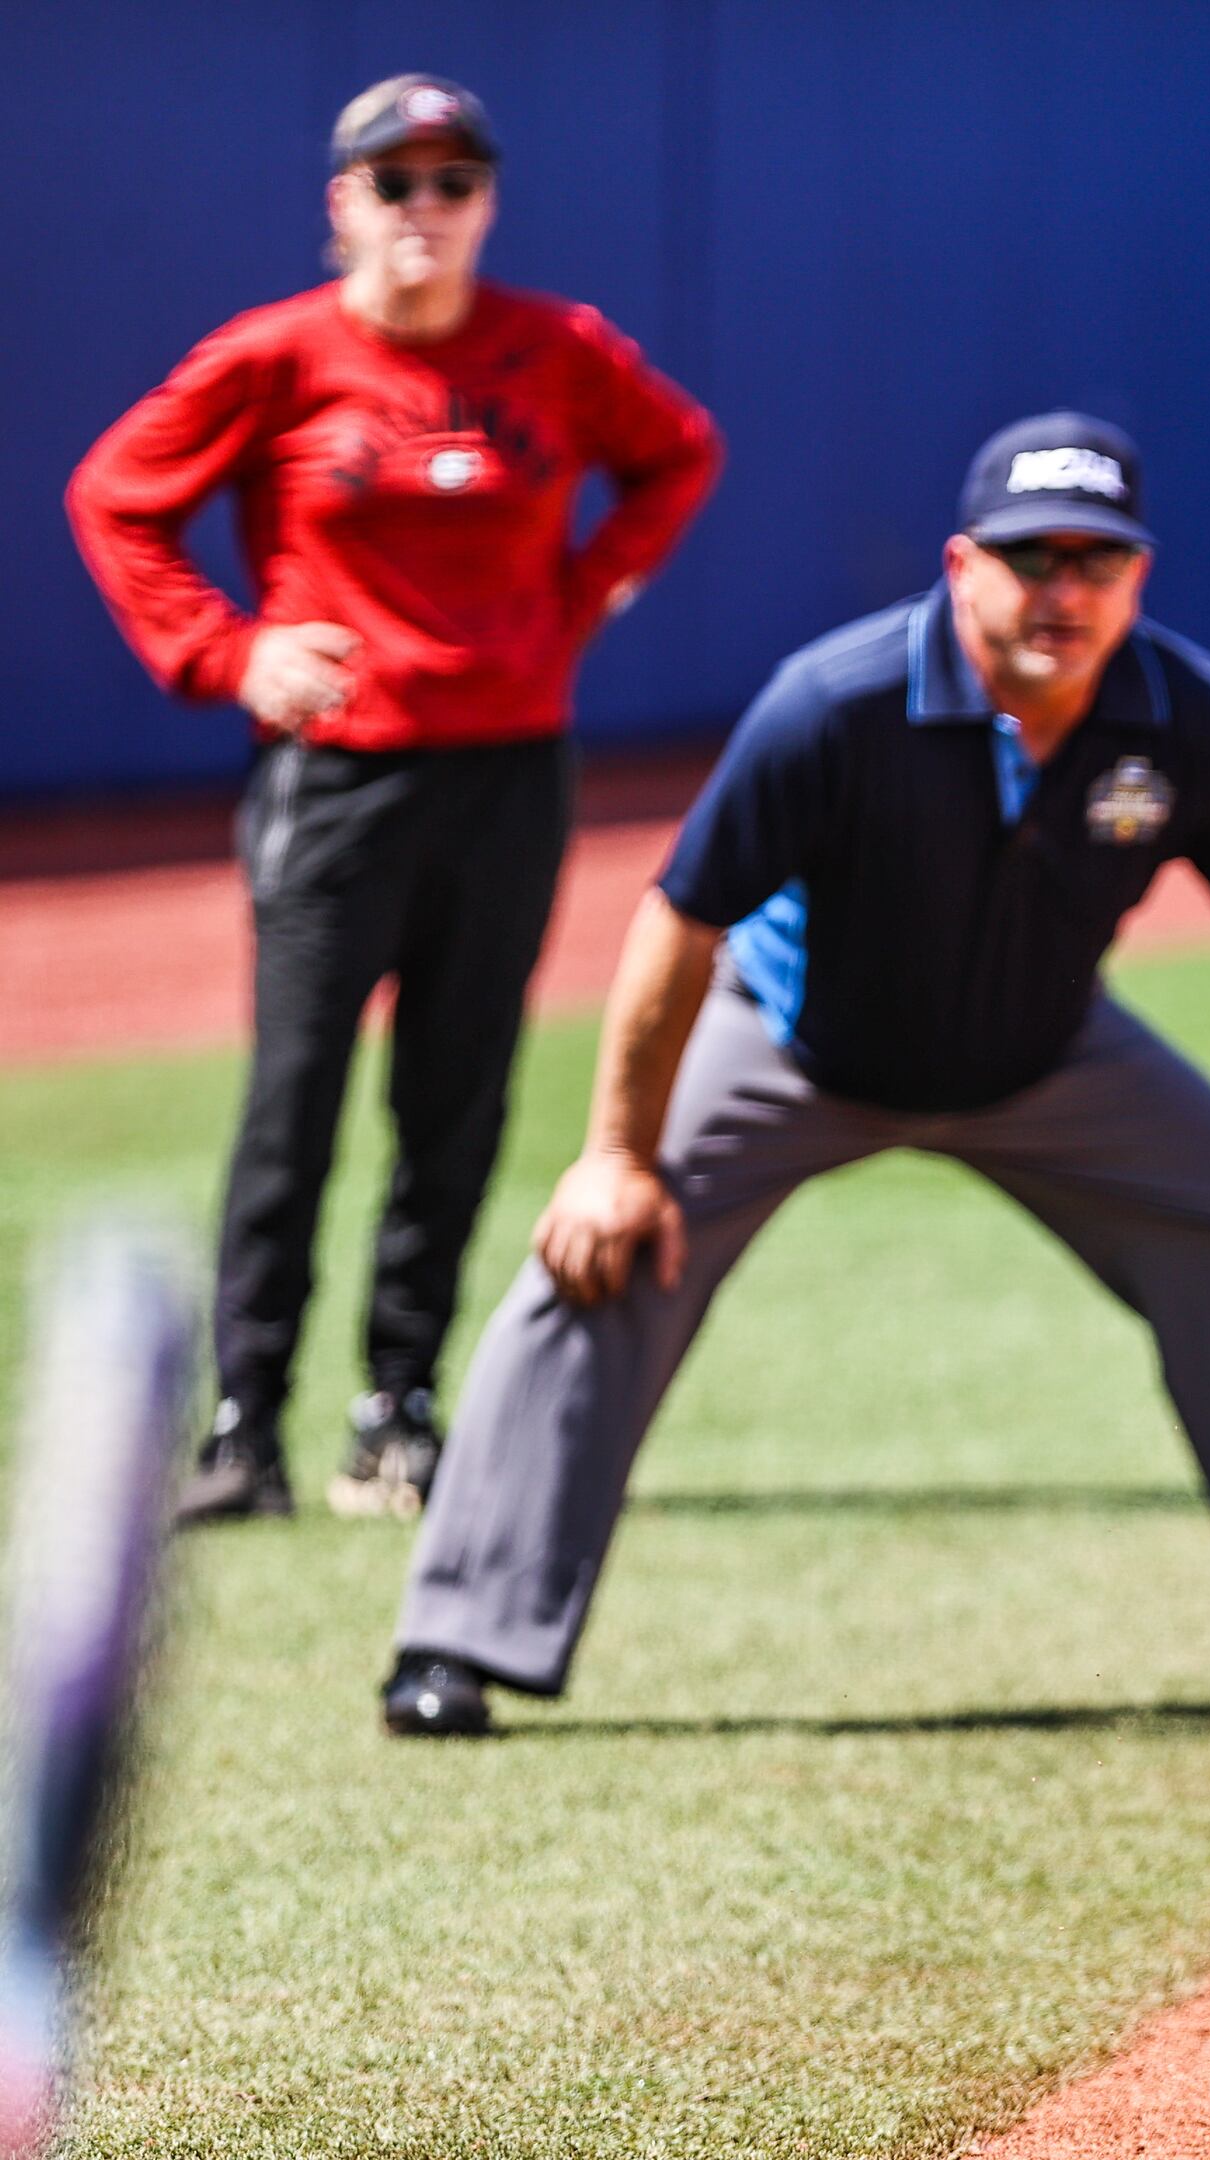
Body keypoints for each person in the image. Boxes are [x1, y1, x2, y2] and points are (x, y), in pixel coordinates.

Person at [373, 414, 1210, 1741]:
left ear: (1140, 580)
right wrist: (619, 1157)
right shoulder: (837, 700)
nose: (1064, 593)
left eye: (1099, 562)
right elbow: (678, 923)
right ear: (961, 563)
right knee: (601, 1250)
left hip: (1047, 1056)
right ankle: (455, 1641)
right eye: (1033, 559)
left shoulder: (1191, 716)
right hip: (798, 1043)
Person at [66, 75, 724, 1526]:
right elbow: (115, 497)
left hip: (508, 767)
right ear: (341, 204)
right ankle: (244, 1429)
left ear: (486, 201)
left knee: (458, 1095)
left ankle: (401, 1413)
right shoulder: (278, 356)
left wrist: (589, 587)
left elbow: (678, 454)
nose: (424, 209)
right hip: (339, 775)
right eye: (394, 181)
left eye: (453, 182)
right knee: (294, 1100)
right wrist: (230, 653)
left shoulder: (557, 350)